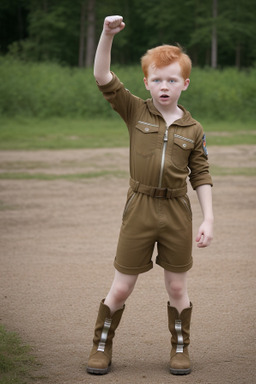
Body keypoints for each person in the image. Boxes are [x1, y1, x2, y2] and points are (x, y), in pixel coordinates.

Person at [87, 15, 214, 376]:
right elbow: (102, 77)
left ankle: (179, 348)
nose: (163, 86)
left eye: (171, 80)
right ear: (146, 82)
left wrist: (209, 217)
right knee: (122, 287)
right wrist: (107, 35)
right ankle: (101, 345)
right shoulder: (135, 110)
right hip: (140, 207)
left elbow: (201, 174)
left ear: (184, 84)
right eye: (156, 79)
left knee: (176, 285)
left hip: (176, 210)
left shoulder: (194, 128)